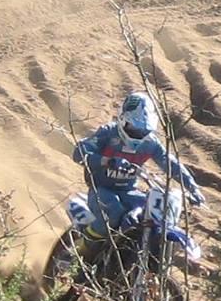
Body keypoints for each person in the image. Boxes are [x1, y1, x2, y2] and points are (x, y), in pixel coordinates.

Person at [73, 90, 204, 236]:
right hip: (102, 189)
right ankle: (79, 252)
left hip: (129, 191)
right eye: (134, 128)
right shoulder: (109, 132)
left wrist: (192, 187)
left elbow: (170, 162)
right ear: (123, 119)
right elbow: (79, 152)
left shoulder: (150, 142)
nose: (138, 134)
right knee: (113, 213)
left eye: (143, 131)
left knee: (152, 215)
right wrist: (106, 161)